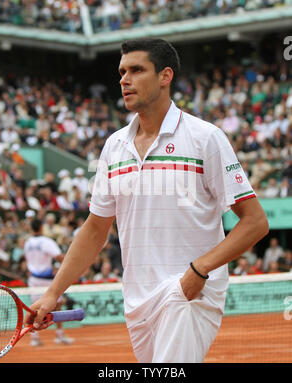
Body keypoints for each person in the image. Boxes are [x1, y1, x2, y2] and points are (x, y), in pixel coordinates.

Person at [25, 38, 269, 363]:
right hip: (137, 299)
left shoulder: (205, 138)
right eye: (122, 71)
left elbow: (255, 221)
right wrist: (53, 293)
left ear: (165, 76)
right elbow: (96, 229)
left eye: (137, 70)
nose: (125, 79)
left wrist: (199, 270)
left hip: (187, 292)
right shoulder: (113, 147)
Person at [24, 218, 74, 346]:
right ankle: (59, 335)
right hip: (47, 280)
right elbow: (60, 257)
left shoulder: (28, 243)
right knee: (57, 305)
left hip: (33, 279)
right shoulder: (46, 242)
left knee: (33, 308)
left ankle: (34, 338)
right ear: (41, 227)